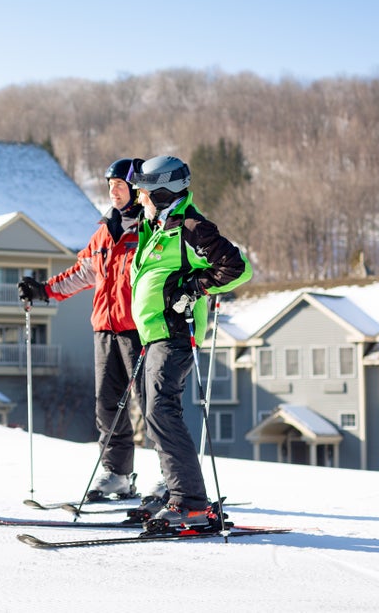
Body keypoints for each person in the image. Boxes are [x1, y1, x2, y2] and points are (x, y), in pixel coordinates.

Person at [128, 155, 252, 528]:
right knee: (155, 414)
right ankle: (173, 491)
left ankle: (191, 503)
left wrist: (196, 285)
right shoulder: (157, 228)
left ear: (163, 192)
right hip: (154, 334)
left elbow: (236, 268)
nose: (139, 199)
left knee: (161, 412)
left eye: (144, 192)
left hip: (174, 334)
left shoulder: (193, 228)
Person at [17, 158, 145, 501]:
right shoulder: (104, 232)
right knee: (107, 404)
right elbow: (83, 273)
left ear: (136, 189)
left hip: (140, 330)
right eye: (109, 186)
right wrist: (43, 290)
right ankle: (118, 475)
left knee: (153, 406)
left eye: (119, 185)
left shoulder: (149, 230)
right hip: (105, 328)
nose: (113, 192)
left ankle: (170, 478)